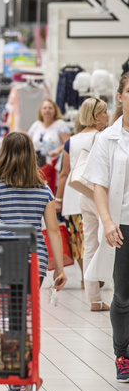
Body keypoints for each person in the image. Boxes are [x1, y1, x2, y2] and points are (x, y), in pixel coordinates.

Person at [0, 132, 68, 391]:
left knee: (13, 318)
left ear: (4, 155)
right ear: (30, 156)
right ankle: (26, 373)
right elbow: (53, 231)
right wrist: (59, 269)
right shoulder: (43, 190)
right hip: (35, 261)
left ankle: (19, 378)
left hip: (5, 260)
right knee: (25, 316)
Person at [83, 71, 129, 382]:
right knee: (123, 295)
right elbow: (98, 184)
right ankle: (122, 354)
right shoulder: (107, 137)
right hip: (122, 223)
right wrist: (107, 220)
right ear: (121, 96)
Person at [55, 98, 110, 309]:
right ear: (96, 116)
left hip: (82, 196)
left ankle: (94, 299)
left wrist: (59, 199)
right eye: (104, 112)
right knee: (112, 243)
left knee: (89, 248)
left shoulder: (72, 140)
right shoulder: (102, 137)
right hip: (101, 196)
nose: (107, 115)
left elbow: (65, 172)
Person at [28, 99, 70, 164]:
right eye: (44, 108)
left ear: (55, 110)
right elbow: (27, 141)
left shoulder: (60, 125)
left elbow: (68, 143)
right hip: (36, 162)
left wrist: (57, 151)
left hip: (54, 163)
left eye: (50, 108)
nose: (47, 110)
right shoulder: (36, 125)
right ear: (40, 111)